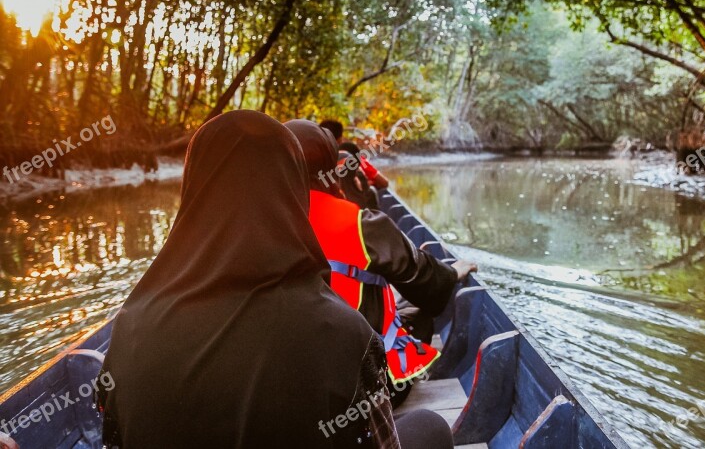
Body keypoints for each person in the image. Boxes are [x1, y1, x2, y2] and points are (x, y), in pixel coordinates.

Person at [97, 111, 401, 448]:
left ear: (192, 191)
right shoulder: (347, 335)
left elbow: (113, 440)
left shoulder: (131, 326)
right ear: (294, 189)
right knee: (429, 425)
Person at [285, 120, 476, 405]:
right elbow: (424, 280)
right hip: (362, 385)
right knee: (421, 314)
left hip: (293, 382)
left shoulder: (263, 224)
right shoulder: (363, 224)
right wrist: (450, 273)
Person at [320, 119, 390, 190]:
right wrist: (368, 183)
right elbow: (384, 183)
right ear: (340, 139)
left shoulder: (313, 159)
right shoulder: (354, 158)